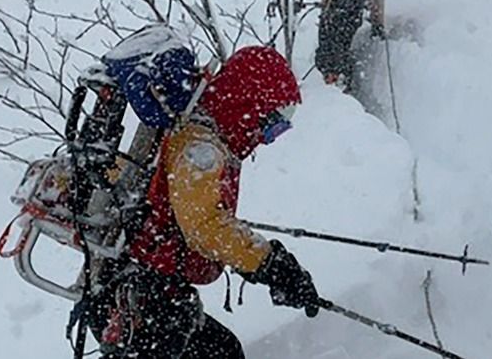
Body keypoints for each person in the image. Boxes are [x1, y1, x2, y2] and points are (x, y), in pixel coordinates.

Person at [90, 45, 321, 358]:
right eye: (274, 123)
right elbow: (205, 227)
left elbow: (187, 213)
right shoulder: (201, 148)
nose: (268, 137)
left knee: (223, 351)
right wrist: (270, 264)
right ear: (249, 104)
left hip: (141, 291)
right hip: (142, 300)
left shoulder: (197, 128)